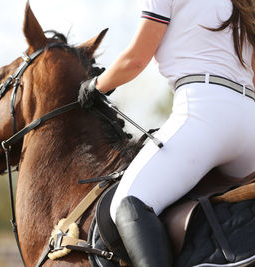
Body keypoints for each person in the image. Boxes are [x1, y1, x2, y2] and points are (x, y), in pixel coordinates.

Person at [78, 0, 255, 266]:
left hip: (205, 113)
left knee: (128, 202)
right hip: (249, 119)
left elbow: (135, 60)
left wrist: (95, 86)